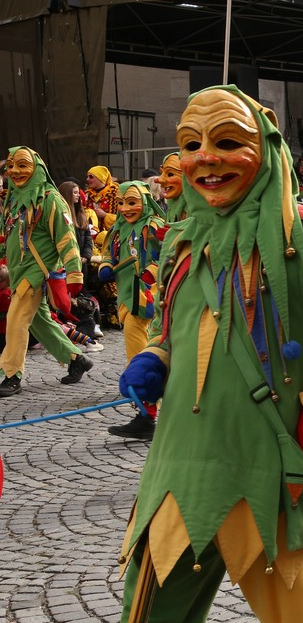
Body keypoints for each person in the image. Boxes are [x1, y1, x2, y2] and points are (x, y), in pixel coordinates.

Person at [115, 85, 303, 623]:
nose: (206, 158)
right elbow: (169, 326)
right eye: (192, 144)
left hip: (272, 474)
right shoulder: (181, 240)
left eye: (227, 142)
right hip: (181, 475)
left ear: (265, 148)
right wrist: (155, 357)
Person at [0, 147, 93, 396]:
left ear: (36, 168)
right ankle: (76, 360)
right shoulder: (13, 198)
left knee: (16, 320)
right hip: (18, 271)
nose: (14, 171)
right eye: (10, 166)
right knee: (41, 323)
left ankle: (11, 374)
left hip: (36, 273)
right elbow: (8, 234)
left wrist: (75, 274)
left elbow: (67, 238)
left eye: (22, 165)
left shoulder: (50, 198)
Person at [101, 181, 166, 441]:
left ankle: (145, 407)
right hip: (125, 295)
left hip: (146, 295)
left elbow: (167, 254)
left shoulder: (155, 226)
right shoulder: (117, 229)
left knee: (137, 343)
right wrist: (105, 264)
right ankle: (146, 402)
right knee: (141, 344)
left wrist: (152, 271)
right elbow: (108, 252)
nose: (126, 208)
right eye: (121, 202)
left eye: (132, 202)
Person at [85, 165, 120, 230]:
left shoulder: (115, 193)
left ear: (100, 178)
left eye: (91, 177)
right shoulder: (88, 194)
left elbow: (123, 218)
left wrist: (105, 215)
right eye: (87, 177)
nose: (87, 179)